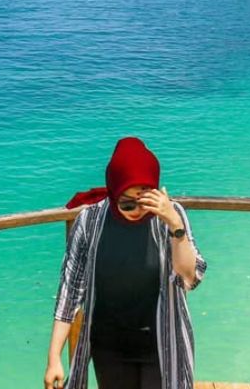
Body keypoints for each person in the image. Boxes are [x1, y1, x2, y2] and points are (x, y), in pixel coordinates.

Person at [44, 137, 206, 389]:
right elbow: (70, 292)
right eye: (127, 202)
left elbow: (189, 278)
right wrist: (54, 357)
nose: (137, 211)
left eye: (145, 201)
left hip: (163, 344)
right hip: (109, 347)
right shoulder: (89, 222)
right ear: (113, 192)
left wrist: (175, 225)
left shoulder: (170, 217)